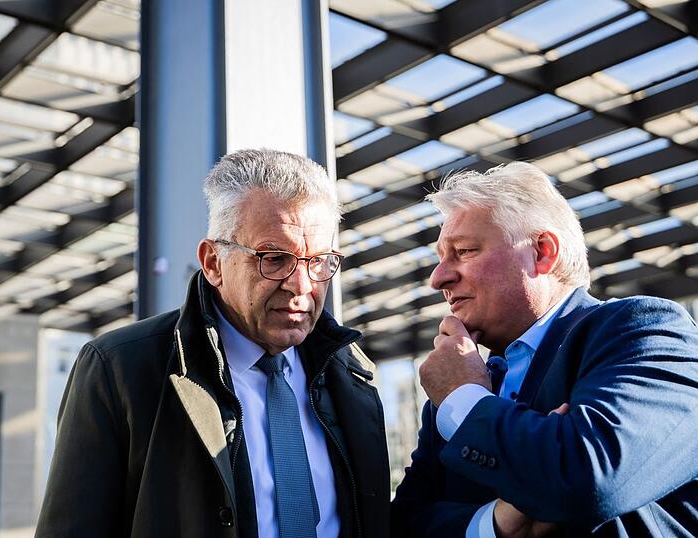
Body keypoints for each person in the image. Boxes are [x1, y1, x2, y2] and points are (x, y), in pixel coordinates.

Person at [35, 149, 390, 538]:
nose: (301, 286)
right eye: (274, 258)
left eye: (318, 261)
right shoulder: (119, 369)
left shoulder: (351, 372)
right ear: (213, 263)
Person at [390, 161, 698, 537]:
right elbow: (405, 523)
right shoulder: (459, 385)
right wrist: (494, 524)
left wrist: (465, 401)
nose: (438, 277)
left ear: (542, 252)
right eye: (441, 257)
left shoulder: (644, 330)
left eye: (465, 250)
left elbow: (589, 476)